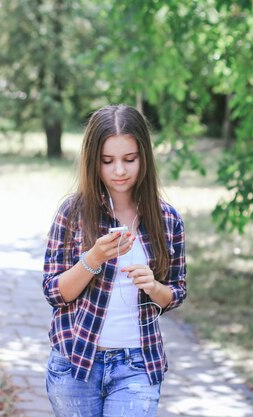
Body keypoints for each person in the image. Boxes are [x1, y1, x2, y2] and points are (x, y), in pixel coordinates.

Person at [42, 104, 187, 417]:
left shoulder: (167, 219)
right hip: (76, 363)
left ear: (144, 157)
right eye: (107, 161)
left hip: (138, 363)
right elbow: (54, 293)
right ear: (93, 161)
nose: (119, 170)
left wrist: (154, 287)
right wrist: (93, 257)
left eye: (129, 159)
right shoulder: (73, 214)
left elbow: (176, 292)